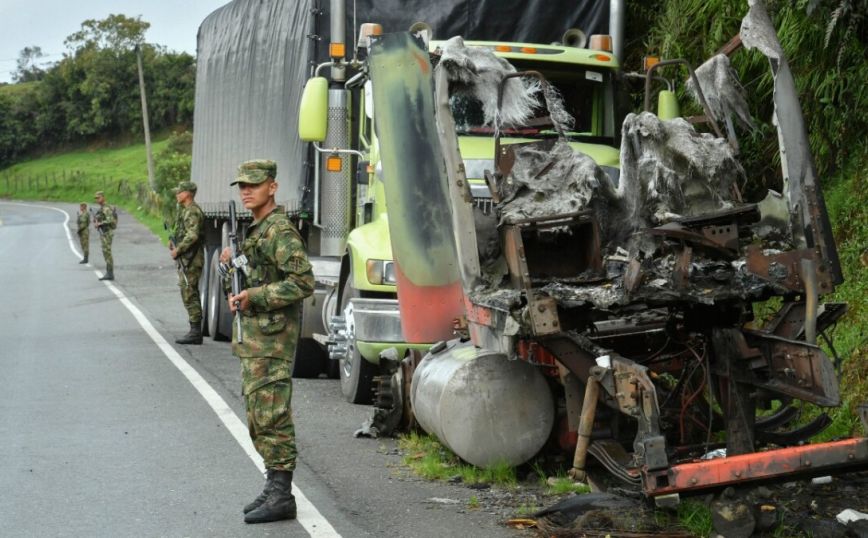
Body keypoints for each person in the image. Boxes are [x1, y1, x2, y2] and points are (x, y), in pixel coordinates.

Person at [219, 160, 314, 524]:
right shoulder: (257, 230)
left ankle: (281, 494)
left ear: (272, 187)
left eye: (254, 185)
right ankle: (274, 484)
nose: (246, 191)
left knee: (272, 415)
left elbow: (303, 282)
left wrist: (256, 296)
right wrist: (234, 272)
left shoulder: (279, 231)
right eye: (242, 185)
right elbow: (254, 276)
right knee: (259, 416)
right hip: (257, 340)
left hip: (273, 340)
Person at [170, 181, 205, 345]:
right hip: (188, 259)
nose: (177, 194)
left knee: (190, 293)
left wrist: (178, 250)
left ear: (188, 193)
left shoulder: (192, 211)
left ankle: (195, 332)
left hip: (191, 259)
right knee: (188, 292)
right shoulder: (186, 211)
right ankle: (195, 330)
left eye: (180, 191)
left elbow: (193, 235)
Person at [93, 191, 117, 280]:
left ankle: (110, 273)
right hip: (104, 232)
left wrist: (100, 223)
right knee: (105, 251)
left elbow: (110, 220)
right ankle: (109, 272)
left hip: (107, 232)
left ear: (103, 197)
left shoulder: (106, 208)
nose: (97, 200)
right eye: (96, 198)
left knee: (107, 251)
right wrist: (97, 221)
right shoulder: (102, 208)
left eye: (98, 198)